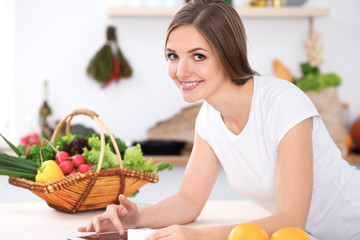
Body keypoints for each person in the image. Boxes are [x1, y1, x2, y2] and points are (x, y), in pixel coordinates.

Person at [78, 0, 360, 239]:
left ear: (228, 56)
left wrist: (196, 236)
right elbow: (188, 201)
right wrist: (136, 218)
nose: (181, 70)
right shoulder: (210, 118)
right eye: (173, 56)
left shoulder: (283, 104)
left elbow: (290, 219)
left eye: (198, 56)